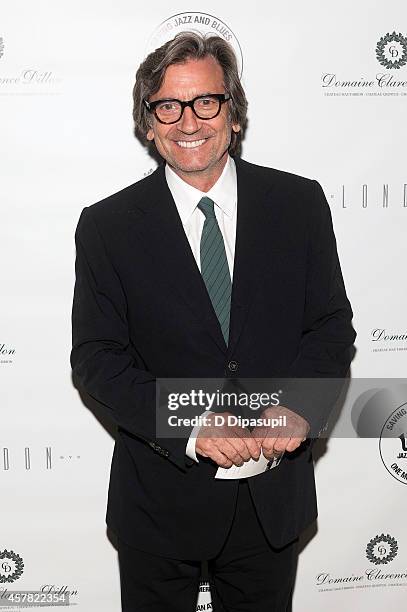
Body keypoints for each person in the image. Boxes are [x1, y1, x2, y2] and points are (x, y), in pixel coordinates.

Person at [70, 31, 356, 611]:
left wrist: (299, 404)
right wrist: (192, 424)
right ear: (148, 123)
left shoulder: (299, 204)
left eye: (206, 101)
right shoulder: (108, 226)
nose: (188, 121)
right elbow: (98, 359)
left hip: (271, 499)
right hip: (159, 501)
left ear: (234, 113)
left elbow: (330, 326)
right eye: (167, 106)